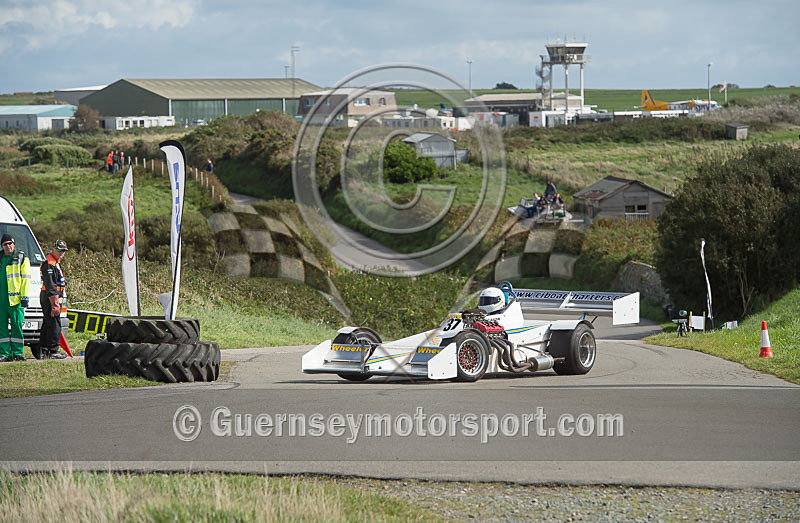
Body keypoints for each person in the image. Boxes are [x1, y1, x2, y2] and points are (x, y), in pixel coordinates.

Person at [0, 234, 30, 362]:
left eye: (9, 243)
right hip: (1, 301)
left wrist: (24, 298)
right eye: (5, 244)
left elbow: (26, 280)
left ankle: (17, 353)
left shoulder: (21, 258)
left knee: (17, 326)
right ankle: (4, 354)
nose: (8, 246)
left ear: (14, 244)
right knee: (2, 328)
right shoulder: (0, 258)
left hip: (15, 301)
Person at [38, 240, 68, 359]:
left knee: (48, 323)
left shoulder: (55, 262)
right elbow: (51, 285)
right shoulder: (49, 263)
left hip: (52, 296)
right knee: (55, 323)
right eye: (59, 250)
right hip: (50, 297)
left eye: (64, 250)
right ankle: (53, 350)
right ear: (53, 249)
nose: (62, 253)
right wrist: (55, 304)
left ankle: (44, 351)